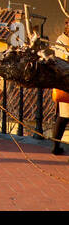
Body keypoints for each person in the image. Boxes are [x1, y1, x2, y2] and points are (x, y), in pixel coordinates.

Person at [52, 20, 69, 155]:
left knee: (62, 117)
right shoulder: (62, 41)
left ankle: (55, 146)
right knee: (63, 117)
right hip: (65, 83)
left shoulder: (59, 40)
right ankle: (56, 146)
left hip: (62, 83)